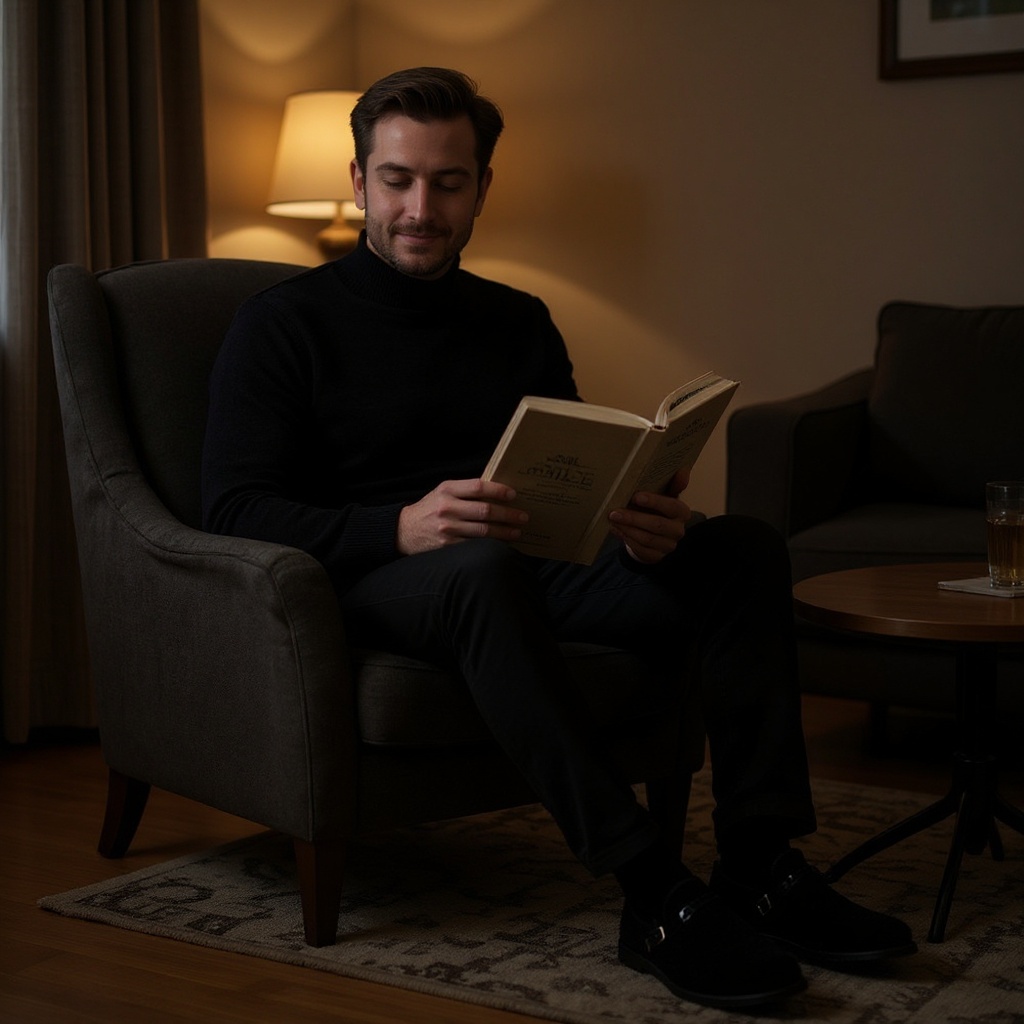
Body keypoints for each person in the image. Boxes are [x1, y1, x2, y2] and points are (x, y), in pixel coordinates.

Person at [202, 66, 915, 1010]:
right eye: (398, 180)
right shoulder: (282, 325)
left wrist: (637, 520)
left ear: (482, 188)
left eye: (448, 183)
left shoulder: (517, 319)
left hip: (531, 564)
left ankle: (760, 865)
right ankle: (652, 891)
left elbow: (570, 470)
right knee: (480, 568)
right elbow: (233, 510)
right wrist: (398, 525)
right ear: (360, 180)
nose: (421, 209)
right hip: (383, 580)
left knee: (740, 549)